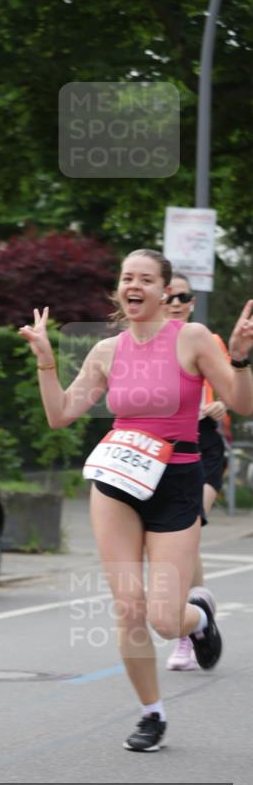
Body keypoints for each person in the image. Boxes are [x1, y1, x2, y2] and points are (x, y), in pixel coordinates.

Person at [19, 249, 253, 752]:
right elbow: (61, 414)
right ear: (118, 289)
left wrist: (238, 357)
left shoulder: (190, 338)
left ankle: (200, 618)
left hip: (177, 480)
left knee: (165, 619)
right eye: (128, 277)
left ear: (165, 291)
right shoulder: (107, 352)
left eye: (147, 279)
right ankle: (152, 713)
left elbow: (241, 401)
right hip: (119, 480)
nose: (136, 285)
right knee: (129, 608)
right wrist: (44, 361)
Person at [163, 273, 232, 671]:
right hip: (164, 446)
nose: (175, 302)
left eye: (183, 296)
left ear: (192, 302)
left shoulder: (207, 340)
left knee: (189, 528)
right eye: (170, 295)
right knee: (184, 541)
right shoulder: (147, 343)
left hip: (202, 445)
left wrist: (221, 403)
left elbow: (231, 384)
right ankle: (198, 617)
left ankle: (189, 634)